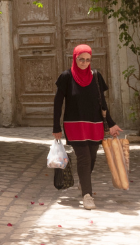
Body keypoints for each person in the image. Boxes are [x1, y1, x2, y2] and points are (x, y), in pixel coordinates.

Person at [52, 44, 121, 210]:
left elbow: (102, 103)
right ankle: (87, 195)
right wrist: (56, 126)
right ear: (75, 58)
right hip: (74, 125)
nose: (84, 63)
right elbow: (58, 103)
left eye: (87, 60)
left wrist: (111, 123)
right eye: (81, 59)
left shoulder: (96, 76)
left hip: (95, 124)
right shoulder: (66, 77)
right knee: (84, 157)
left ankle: (84, 182)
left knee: (92, 157)